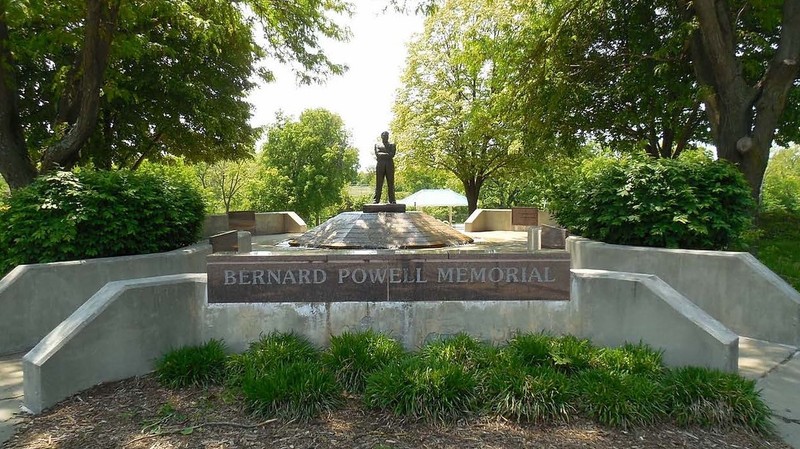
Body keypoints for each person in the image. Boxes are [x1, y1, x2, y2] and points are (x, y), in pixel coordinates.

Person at [373, 131, 396, 204]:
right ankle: (376, 199)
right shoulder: (377, 145)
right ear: (381, 136)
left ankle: (392, 200)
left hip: (389, 165)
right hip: (380, 165)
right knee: (379, 183)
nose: (386, 137)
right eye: (384, 136)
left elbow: (392, 154)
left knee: (391, 183)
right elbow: (378, 154)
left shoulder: (392, 145)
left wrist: (383, 154)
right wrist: (387, 154)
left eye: (387, 136)